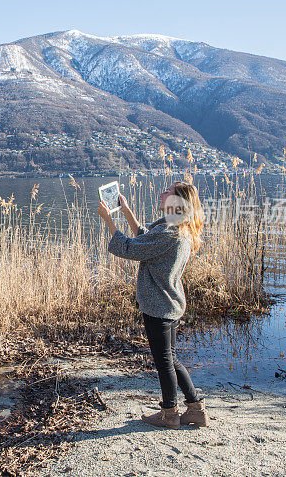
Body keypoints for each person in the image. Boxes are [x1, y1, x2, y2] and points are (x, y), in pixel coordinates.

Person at [97, 181, 208, 429]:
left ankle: (169, 414)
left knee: (164, 362)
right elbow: (145, 240)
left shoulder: (169, 233)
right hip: (170, 303)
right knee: (171, 358)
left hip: (159, 306)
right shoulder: (178, 228)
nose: (161, 193)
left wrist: (108, 220)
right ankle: (195, 409)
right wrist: (126, 211)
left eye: (166, 192)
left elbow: (128, 248)